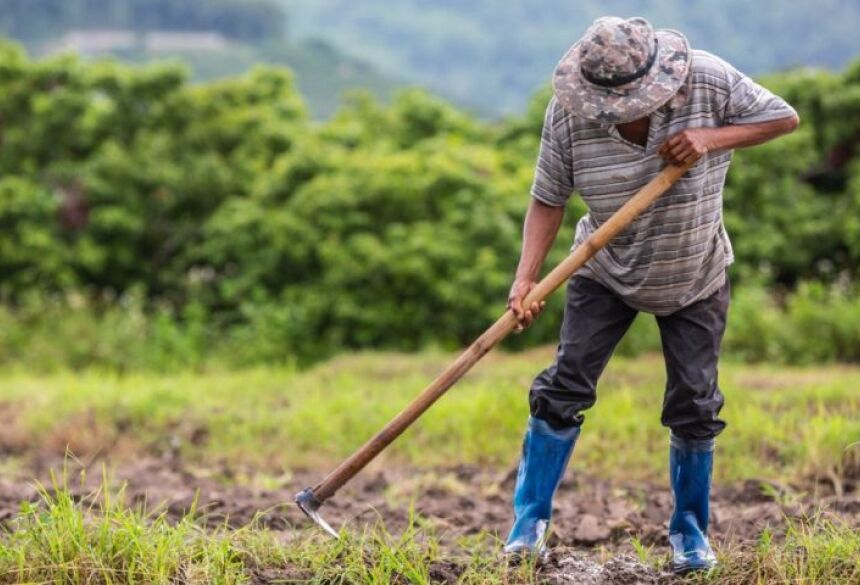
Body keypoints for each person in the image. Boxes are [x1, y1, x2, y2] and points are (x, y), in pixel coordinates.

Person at [504, 16, 799, 573]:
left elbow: (783, 117)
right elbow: (548, 197)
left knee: (694, 401)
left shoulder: (708, 80)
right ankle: (527, 527)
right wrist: (526, 278)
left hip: (695, 271)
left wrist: (710, 138)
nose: (617, 113)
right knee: (564, 386)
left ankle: (690, 535)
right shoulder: (569, 113)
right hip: (604, 267)